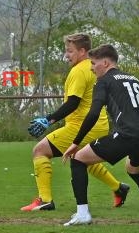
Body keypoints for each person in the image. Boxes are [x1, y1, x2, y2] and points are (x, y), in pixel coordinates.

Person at [21, 33, 129, 211]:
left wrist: (48, 120)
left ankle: (45, 199)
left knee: (39, 150)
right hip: (100, 125)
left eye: (69, 51)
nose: (66, 55)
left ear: (82, 51)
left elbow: (73, 102)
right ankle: (119, 188)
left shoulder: (79, 71)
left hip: (81, 126)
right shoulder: (94, 68)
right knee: (83, 159)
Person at [62, 44, 139, 226]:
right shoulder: (133, 79)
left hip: (126, 134)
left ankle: (82, 213)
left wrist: (75, 142)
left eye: (93, 63)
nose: (92, 68)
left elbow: (93, 114)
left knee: (78, 159)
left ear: (106, 63)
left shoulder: (104, 81)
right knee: (134, 169)